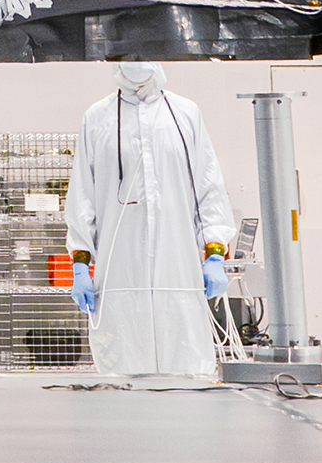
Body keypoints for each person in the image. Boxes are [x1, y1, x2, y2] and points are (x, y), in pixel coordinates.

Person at [70, 61, 241, 379]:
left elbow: (209, 186)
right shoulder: (97, 117)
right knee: (123, 378)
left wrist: (214, 253)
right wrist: (81, 262)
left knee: (186, 375)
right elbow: (82, 194)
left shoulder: (185, 113)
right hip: (119, 270)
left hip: (179, 268)